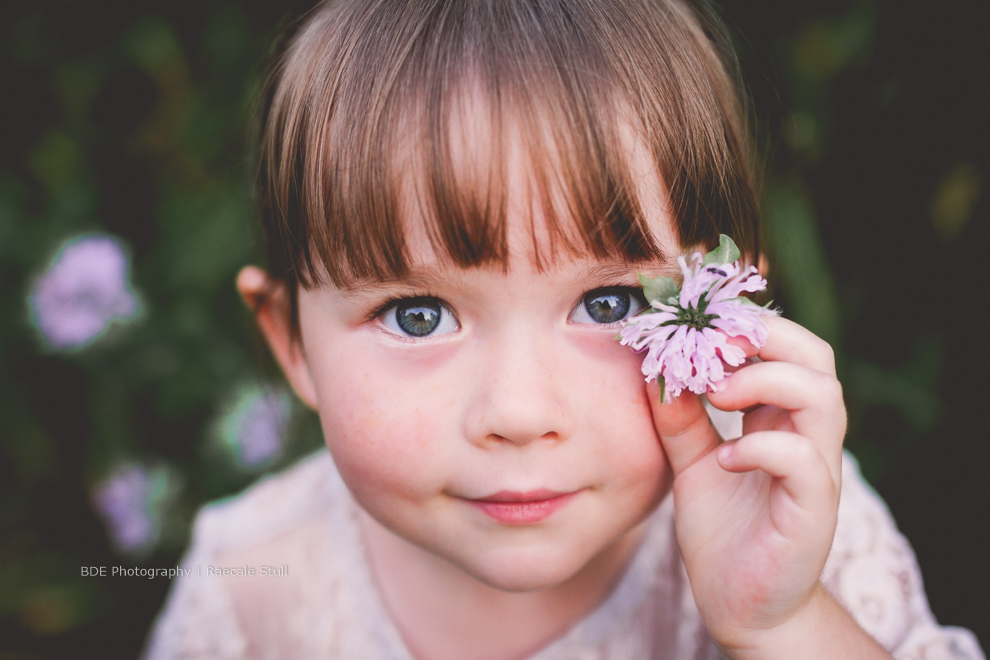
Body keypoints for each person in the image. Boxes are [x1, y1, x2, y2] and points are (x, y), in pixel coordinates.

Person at [143, 0, 985, 658]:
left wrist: (786, 627)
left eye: (611, 304)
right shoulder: (247, 586)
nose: (517, 411)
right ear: (292, 341)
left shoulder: (786, 513)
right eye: (417, 315)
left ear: (725, 314)